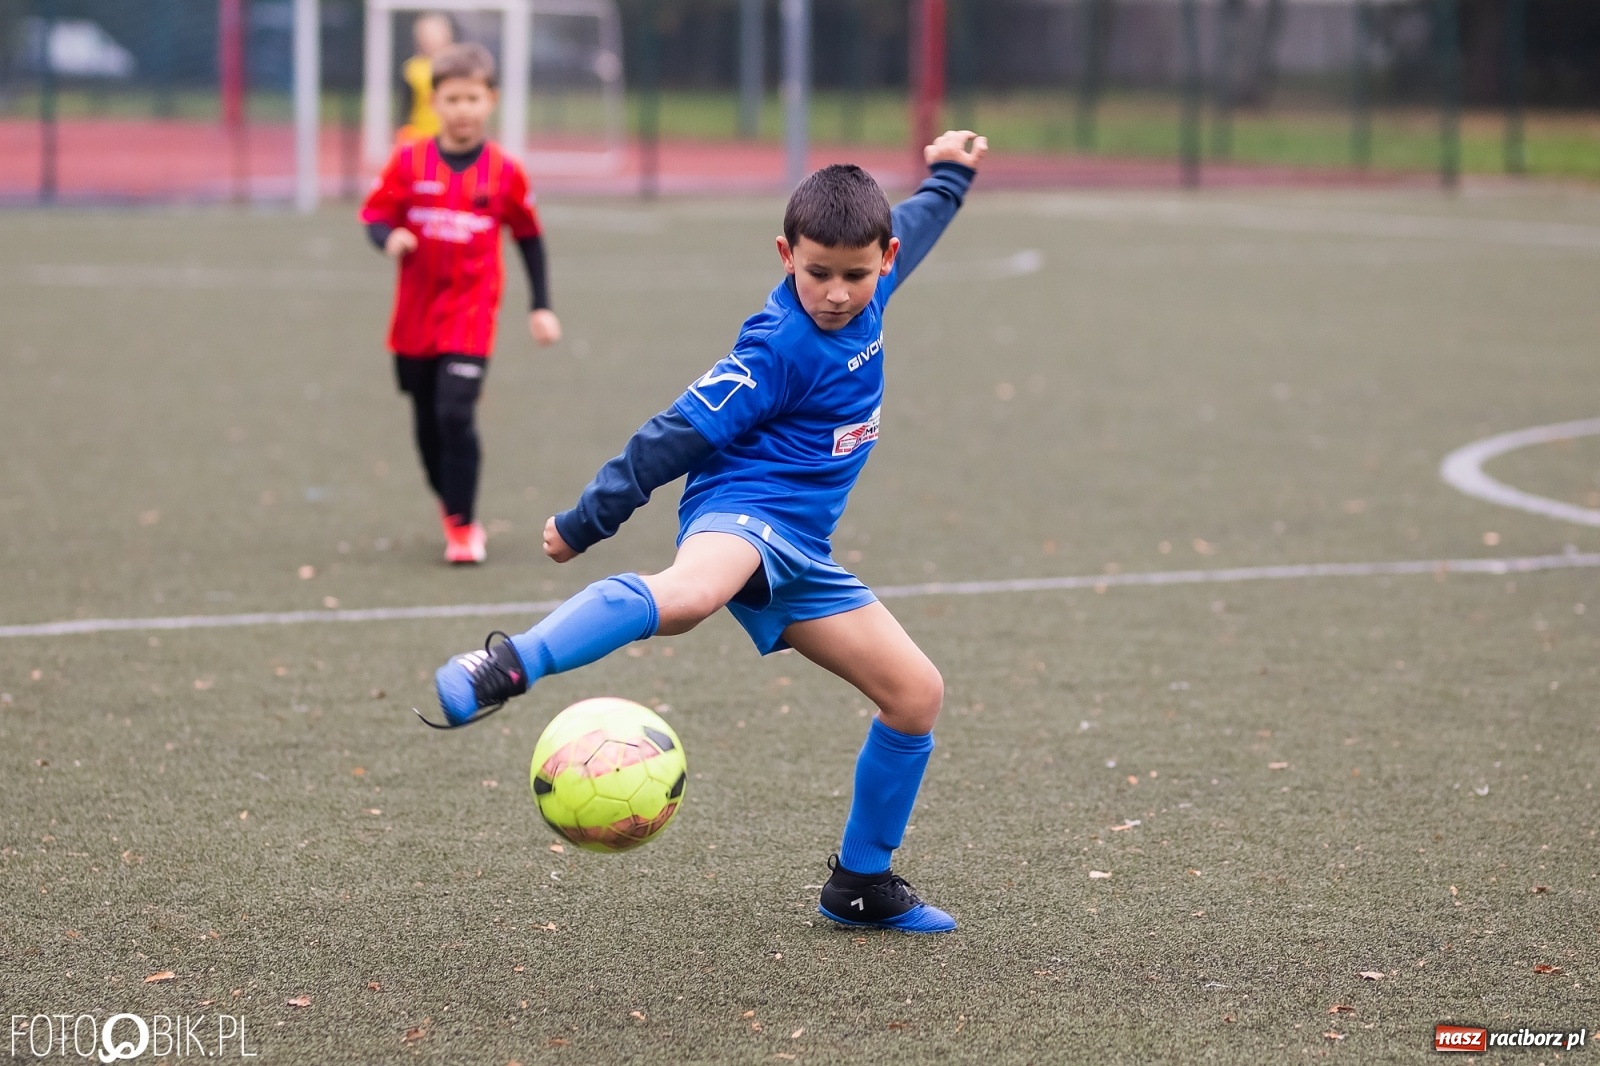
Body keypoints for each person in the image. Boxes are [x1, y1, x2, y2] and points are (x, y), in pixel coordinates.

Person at [430, 131, 989, 932]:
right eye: (816, 272)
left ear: (884, 259)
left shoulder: (878, 275)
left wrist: (951, 176)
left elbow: (921, 222)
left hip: (801, 550)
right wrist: (588, 519)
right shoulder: (775, 349)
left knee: (914, 696)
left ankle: (860, 885)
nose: (834, 293)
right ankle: (509, 661)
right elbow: (676, 433)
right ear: (784, 254)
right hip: (740, 511)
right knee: (690, 598)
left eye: (856, 275)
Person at [360, 42, 563, 565]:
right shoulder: (409, 161)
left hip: (471, 314)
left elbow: (529, 238)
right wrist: (390, 240)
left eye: (473, 97)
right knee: (427, 422)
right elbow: (375, 216)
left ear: (490, 100)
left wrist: (540, 305)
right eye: (452, 99)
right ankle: (449, 502)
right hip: (413, 318)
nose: (463, 109)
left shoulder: (505, 171)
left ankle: (465, 526)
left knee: (455, 412)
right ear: (436, 102)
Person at [396, 12, 453, 145]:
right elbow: (406, 105)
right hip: (420, 134)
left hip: (450, 134)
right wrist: (405, 130)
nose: (430, 39)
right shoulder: (412, 69)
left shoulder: (457, 66)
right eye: (426, 35)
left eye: (434, 34)